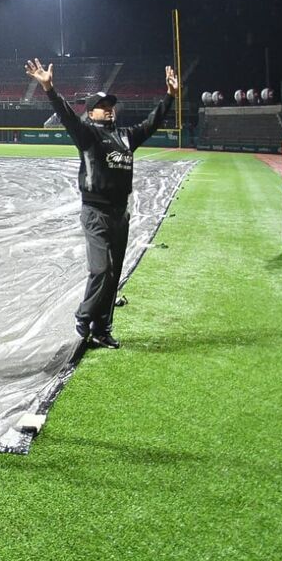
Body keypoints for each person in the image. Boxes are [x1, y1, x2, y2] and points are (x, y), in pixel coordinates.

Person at [25, 58, 178, 349]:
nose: (109, 109)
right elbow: (67, 116)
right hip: (96, 213)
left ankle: (102, 329)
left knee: (114, 273)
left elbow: (151, 123)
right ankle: (84, 315)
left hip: (121, 214)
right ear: (91, 112)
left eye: (111, 106)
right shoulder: (88, 134)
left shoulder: (126, 136)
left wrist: (170, 96)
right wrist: (49, 89)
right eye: (102, 106)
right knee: (101, 270)